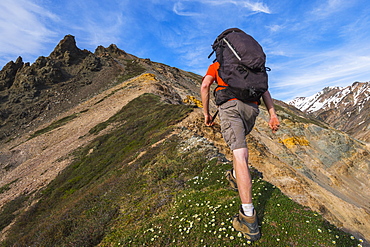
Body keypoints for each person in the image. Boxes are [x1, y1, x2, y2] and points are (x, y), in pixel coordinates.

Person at [201, 61, 280, 241]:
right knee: (238, 145)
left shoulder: (219, 64)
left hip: (230, 107)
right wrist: (272, 114)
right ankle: (236, 176)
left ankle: (248, 218)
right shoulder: (250, 64)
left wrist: (206, 113)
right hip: (251, 110)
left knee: (240, 153)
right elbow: (264, 90)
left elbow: (205, 85)